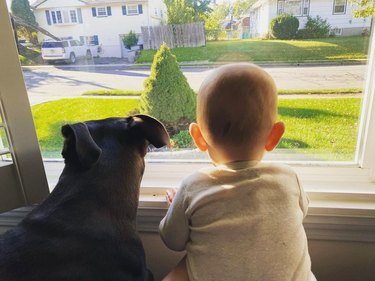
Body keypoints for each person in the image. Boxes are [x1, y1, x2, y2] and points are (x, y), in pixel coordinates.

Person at [159, 63, 316, 281]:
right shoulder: (289, 178)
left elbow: (172, 241)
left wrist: (175, 206)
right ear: (274, 136)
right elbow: (301, 212)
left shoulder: (193, 186)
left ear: (198, 137)